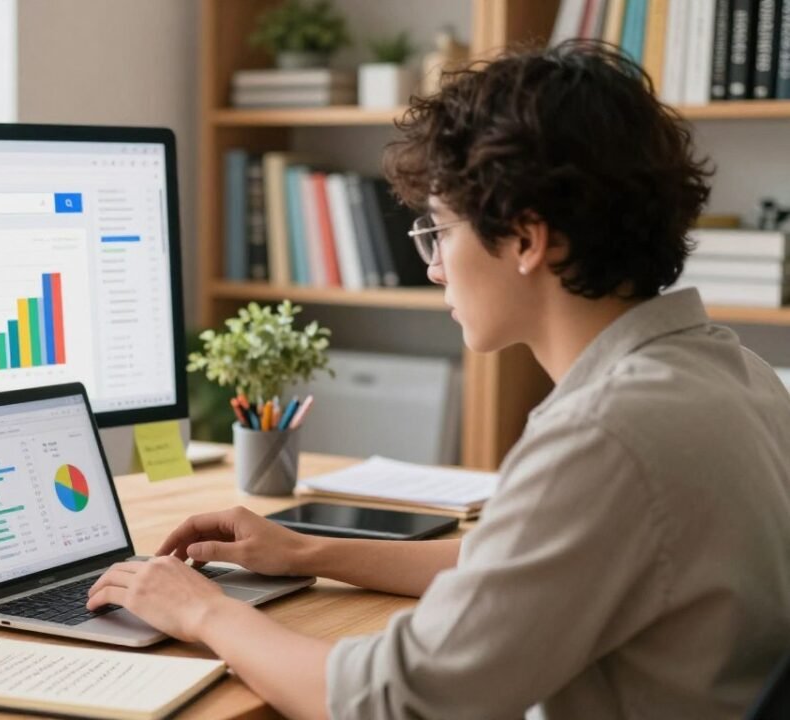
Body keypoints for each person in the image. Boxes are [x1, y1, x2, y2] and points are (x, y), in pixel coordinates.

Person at [85, 41, 790, 719]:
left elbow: (395, 704)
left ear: (527, 237)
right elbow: (515, 567)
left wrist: (203, 611)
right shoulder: (734, 375)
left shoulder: (604, 436)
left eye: (441, 231)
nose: (433, 266)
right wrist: (306, 551)